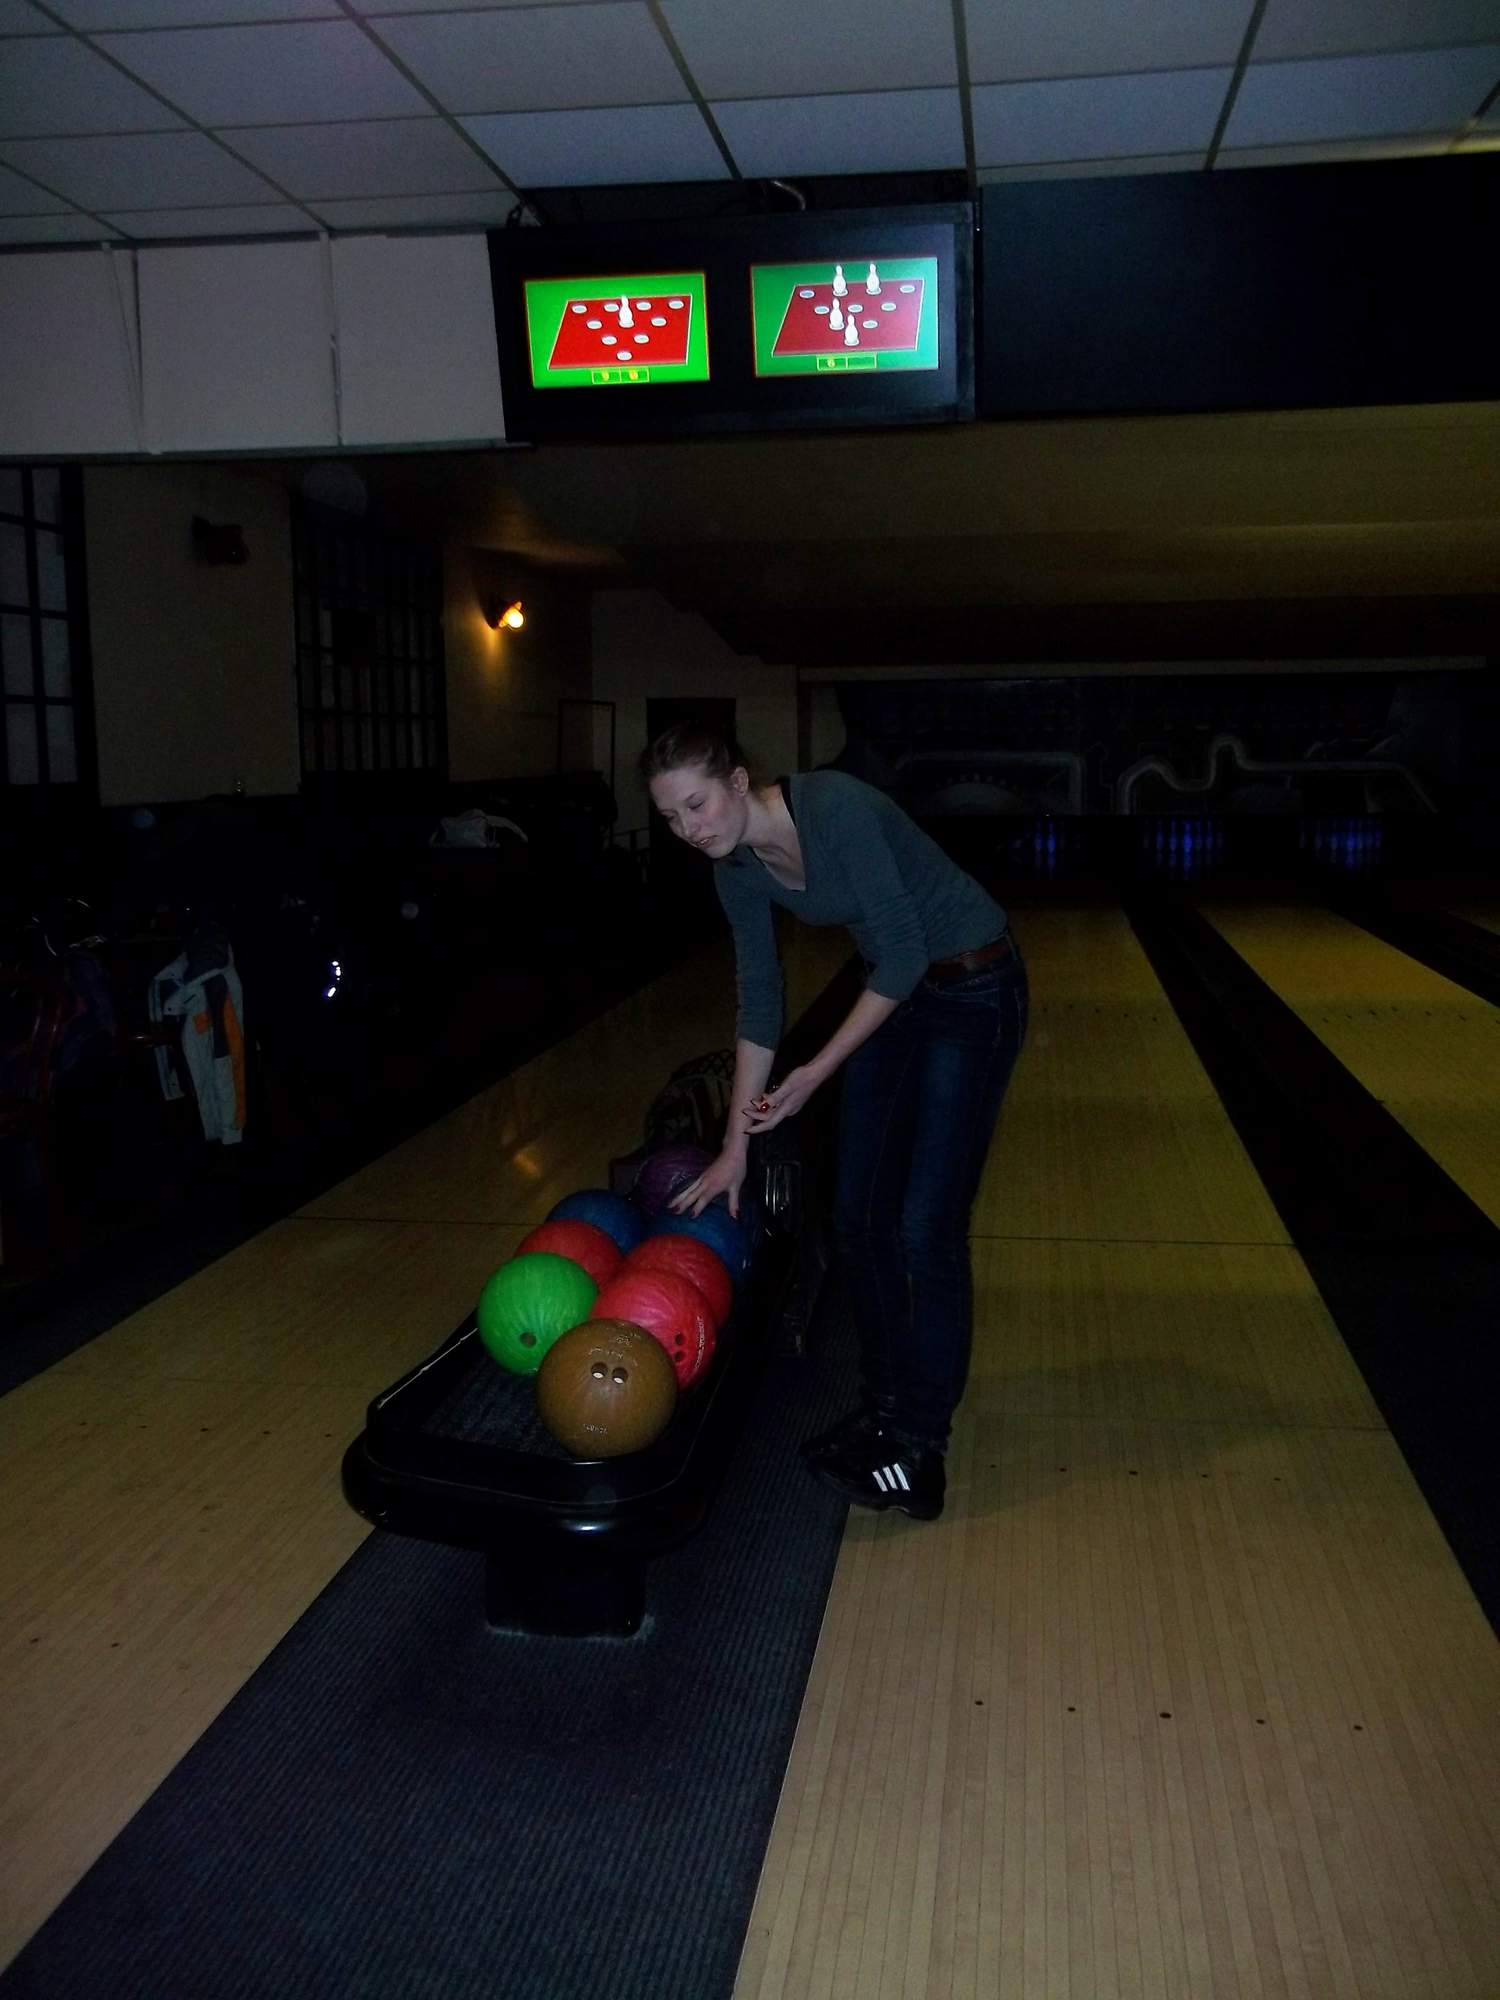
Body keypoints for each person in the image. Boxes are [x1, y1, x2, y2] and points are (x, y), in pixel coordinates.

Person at [643, 722, 1028, 1521]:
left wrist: (813, 1075)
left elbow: (901, 951)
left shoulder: (839, 809)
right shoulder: (737, 869)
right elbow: (759, 1000)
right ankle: (885, 1410)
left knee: (927, 1226)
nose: (692, 830)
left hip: (974, 985)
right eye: (673, 818)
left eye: (699, 804)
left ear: (740, 782)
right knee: (855, 1218)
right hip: (905, 994)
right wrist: (733, 1151)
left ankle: (919, 1449)